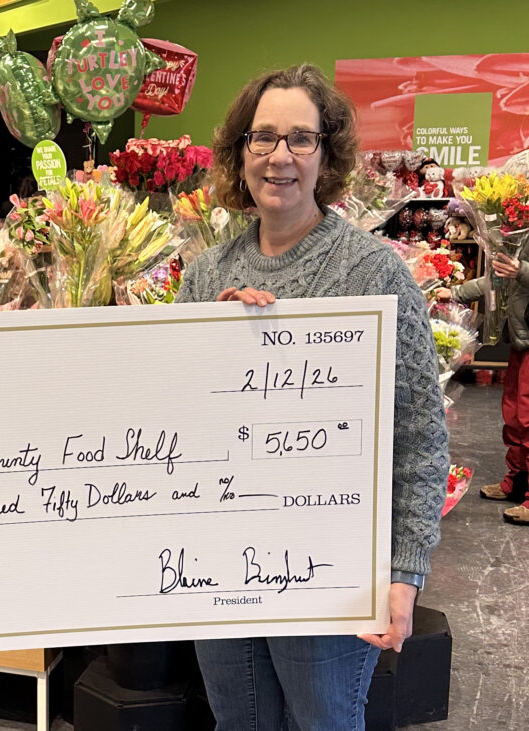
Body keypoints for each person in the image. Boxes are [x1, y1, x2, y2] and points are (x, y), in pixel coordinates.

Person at [174, 64, 448, 728]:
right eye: (263, 137)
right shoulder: (206, 275)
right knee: (239, 721)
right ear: (240, 152)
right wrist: (211, 344)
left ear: (327, 155)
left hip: (331, 570)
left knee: (323, 721)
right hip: (221, 564)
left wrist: (404, 573)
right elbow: (176, 424)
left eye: (301, 138)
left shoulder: (373, 272)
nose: (280, 156)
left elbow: (419, 435)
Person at [437, 252, 529, 525]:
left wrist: (521, 270)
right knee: (514, 414)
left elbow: (514, 273)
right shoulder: (520, 236)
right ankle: (518, 481)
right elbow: (497, 280)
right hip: (521, 338)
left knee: (527, 417)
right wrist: (455, 293)